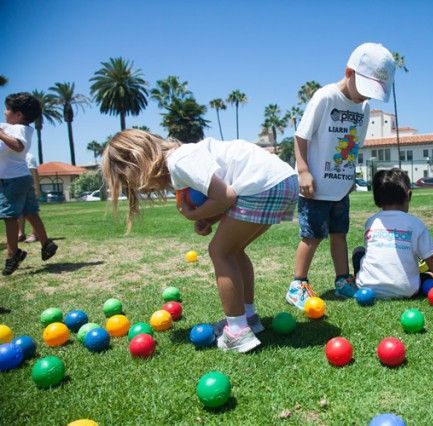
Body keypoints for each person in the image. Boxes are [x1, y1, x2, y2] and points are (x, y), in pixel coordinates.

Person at [102, 129, 298, 353]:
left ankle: (237, 333)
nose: (138, 188)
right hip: (282, 181)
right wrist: (209, 217)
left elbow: (227, 196)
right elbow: (226, 195)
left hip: (262, 184)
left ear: (136, 161)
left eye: (130, 180)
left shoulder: (178, 161)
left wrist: (194, 215)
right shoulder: (184, 157)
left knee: (220, 252)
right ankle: (249, 318)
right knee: (234, 250)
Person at [286, 42, 396, 309]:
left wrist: (349, 178)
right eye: (364, 89)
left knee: (339, 233)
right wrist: (303, 171)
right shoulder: (326, 97)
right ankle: (297, 284)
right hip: (315, 185)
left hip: (340, 184)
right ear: (349, 72)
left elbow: (353, 146)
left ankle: (342, 279)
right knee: (311, 235)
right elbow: (301, 136)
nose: (364, 97)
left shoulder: (365, 108)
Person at [352, 169, 433, 298]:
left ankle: (358, 279)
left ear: (376, 199)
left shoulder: (371, 222)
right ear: (408, 195)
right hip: (406, 290)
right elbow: (431, 258)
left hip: (367, 287)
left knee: (359, 252)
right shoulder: (415, 223)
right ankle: (428, 278)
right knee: (427, 275)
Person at [0, 93, 58, 276]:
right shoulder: (11, 127)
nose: (4, 111)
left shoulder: (21, 130)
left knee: (9, 217)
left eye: (8, 109)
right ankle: (46, 243)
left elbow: (18, 146)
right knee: (30, 213)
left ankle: (13, 254)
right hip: (20, 178)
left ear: (19, 115)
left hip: (12, 180)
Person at [18, 152, 40, 243]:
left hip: (29, 189)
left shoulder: (29, 157)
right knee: (20, 212)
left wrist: (36, 189)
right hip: (18, 188)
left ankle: (35, 234)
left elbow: (34, 173)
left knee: (32, 212)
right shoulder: (14, 157)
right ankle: (21, 233)